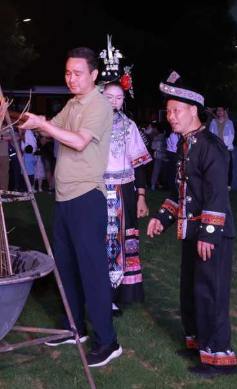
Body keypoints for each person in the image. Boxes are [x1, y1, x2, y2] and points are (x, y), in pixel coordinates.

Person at [17, 48, 120, 369]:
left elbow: (77, 141)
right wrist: (21, 119)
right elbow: (47, 127)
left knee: (92, 271)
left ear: (94, 75)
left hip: (87, 198)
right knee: (66, 267)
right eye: (67, 73)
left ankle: (108, 341)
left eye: (77, 73)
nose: (71, 78)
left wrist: (43, 126)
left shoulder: (99, 105)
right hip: (63, 199)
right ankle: (72, 327)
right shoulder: (73, 104)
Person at [147, 71, 237, 377]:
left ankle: (218, 359)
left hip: (209, 234)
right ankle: (198, 343)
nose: (170, 117)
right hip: (190, 231)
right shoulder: (186, 145)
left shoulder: (211, 146)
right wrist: (161, 218)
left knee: (210, 293)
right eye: (168, 111)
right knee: (191, 291)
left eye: (176, 111)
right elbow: (181, 192)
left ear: (193, 111)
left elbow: (216, 196)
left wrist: (209, 234)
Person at [102, 82, 151, 313]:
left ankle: (116, 293)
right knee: (98, 241)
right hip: (97, 189)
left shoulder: (129, 126)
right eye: (109, 96)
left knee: (120, 241)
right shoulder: (90, 123)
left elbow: (139, 163)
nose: (114, 101)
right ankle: (96, 290)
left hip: (123, 191)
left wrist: (141, 196)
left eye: (119, 97)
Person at [208, 107, 237, 191]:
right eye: (218, 110)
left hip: (226, 148)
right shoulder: (213, 122)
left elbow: (232, 135)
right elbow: (211, 135)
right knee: (215, 167)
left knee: (228, 167)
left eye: (221, 110)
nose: (219, 112)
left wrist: (225, 146)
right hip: (216, 148)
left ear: (225, 112)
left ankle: (228, 185)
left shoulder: (229, 122)